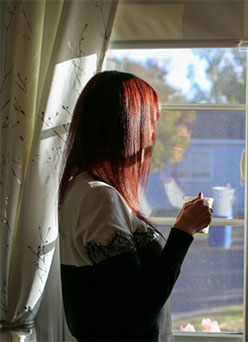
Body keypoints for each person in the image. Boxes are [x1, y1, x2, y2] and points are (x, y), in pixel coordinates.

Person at [58, 71, 212, 342]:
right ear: (127, 125)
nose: (153, 134)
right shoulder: (97, 198)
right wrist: (183, 231)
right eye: (151, 120)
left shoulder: (85, 189)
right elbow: (138, 311)